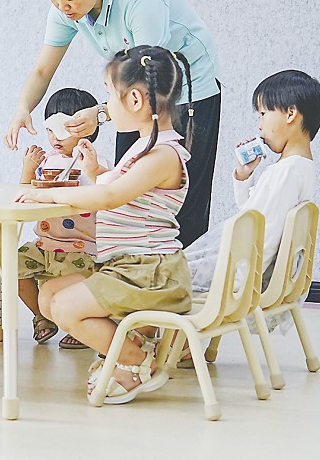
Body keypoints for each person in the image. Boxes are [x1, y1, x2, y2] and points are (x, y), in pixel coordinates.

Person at [5, 0, 221, 248]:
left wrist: (101, 113)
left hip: (186, 92)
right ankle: (130, 265)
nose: (63, 6)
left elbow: (147, 79)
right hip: (131, 97)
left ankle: (180, 272)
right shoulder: (67, 11)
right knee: (124, 189)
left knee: (182, 203)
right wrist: (23, 107)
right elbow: (42, 71)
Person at [15, 46, 194, 404]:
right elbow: (116, 186)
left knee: (65, 308)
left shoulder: (163, 154)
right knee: (48, 296)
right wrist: (94, 170)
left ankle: (136, 361)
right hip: (126, 267)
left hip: (150, 272)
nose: (106, 108)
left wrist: (45, 195)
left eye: (109, 96)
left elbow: (111, 196)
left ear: (135, 100)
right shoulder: (144, 148)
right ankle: (133, 343)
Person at [186, 70, 320, 294]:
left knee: (163, 274)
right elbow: (255, 214)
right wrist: (244, 175)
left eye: (263, 114)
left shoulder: (284, 172)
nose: (260, 125)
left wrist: (238, 286)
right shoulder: (301, 168)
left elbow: (266, 237)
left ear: (290, 113)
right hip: (249, 273)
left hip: (243, 278)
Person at [16, 88, 99, 349]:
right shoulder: (47, 162)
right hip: (44, 244)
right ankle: (41, 317)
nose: (55, 136)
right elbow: (23, 196)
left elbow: (103, 195)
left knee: (69, 286)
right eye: (50, 129)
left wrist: (92, 172)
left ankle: (80, 326)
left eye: (65, 128)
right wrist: (28, 170)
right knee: (10, 265)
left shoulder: (92, 163)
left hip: (79, 248)